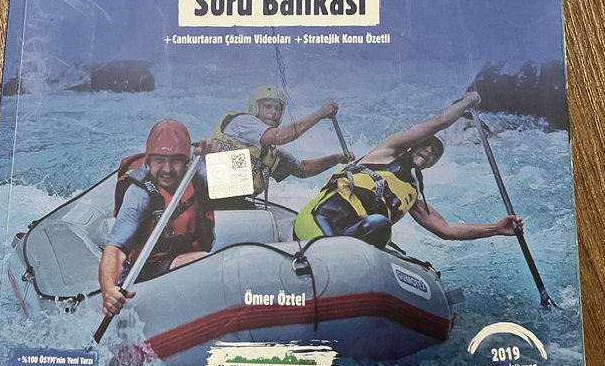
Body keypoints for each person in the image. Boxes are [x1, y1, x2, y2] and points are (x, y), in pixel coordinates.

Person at [293, 91, 523, 247]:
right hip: (319, 219)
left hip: (349, 238)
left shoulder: (412, 194)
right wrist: (466, 102)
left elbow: (446, 229)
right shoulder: (387, 151)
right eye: (426, 144)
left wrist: (496, 228)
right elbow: (437, 123)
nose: (428, 151)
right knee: (377, 225)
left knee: (379, 226)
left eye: (435, 151)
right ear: (414, 144)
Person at [99, 119, 215, 318]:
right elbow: (115, 250)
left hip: (175, 260)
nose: (167, 169)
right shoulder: (139, 195)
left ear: (186, 162)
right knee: (202, 262)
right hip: (142, 270)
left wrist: (218, 153)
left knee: (206, 262)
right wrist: (109, 288)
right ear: (148, 161)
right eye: (160, 161)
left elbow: (244, 183)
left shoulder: (197, 172)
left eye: (175, 161)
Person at [211, 85, 354, 201]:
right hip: (209, 195)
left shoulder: (271, 151)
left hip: (238, 201)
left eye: (278, 108)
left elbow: (302, 170)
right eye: (268, 106)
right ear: (254, 107)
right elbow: (278, 136)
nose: (273, 112)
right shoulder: (241, 122)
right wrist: (319, 114)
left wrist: (335, 159)